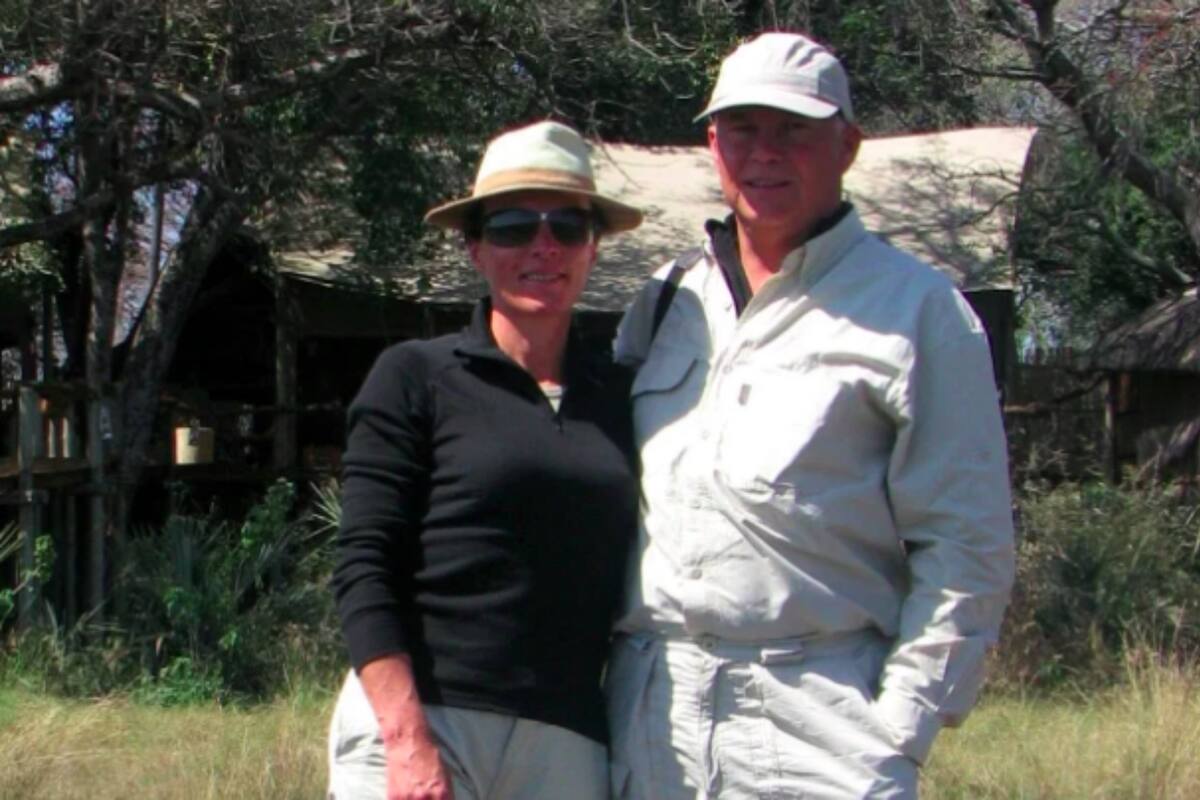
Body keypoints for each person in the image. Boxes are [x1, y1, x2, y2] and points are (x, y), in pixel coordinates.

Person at [605, 32, 1016, 799]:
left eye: (794, 129)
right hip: (652, 710)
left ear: (848, 145)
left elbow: (967, 541)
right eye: (743, 129)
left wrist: (901, 726)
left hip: (820, 710)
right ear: (712, 144)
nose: (765, 152)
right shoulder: (664, 302)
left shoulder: (918, 310)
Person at [327, 120, 644, 800]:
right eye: (511, 226)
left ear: (594, 246)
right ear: (474, 247)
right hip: (431, 719)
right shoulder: (416, 375)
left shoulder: (625, 394)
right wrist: (406, 738)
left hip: (568, 735)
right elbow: (363, 562)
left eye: (567, 225)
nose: (543, 246)